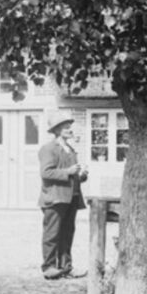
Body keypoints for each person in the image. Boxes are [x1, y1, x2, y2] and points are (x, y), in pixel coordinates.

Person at [38, 110, 89, 280]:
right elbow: (46, 173)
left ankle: (66, 267)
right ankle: (49, 267)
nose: (70, 130)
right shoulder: (48, 149)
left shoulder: (70, 150)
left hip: (71, 198)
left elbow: (72, 175)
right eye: (66, 127)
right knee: (52, 234)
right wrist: (68, 171)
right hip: (55, 198)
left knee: (67, 234)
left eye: (70, 127)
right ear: (57, 130)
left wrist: (81, 175)